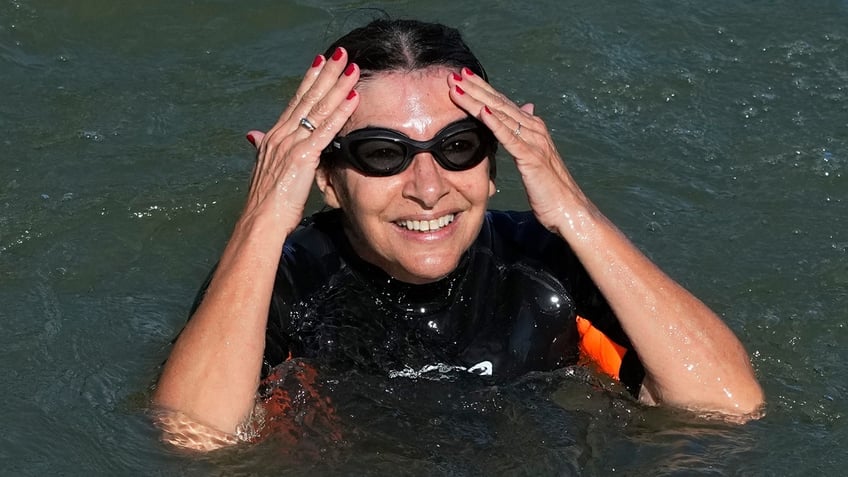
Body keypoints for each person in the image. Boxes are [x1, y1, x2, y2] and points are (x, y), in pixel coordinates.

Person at [152, 18, 764, 451]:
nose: (428, 185)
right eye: (382, 153)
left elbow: (729, 408)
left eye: (458, 147)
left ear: (495, 168)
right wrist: (261, 222)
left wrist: (574, 211)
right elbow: (193, 437)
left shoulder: (544, 264)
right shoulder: (285, 274)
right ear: (328, 182)